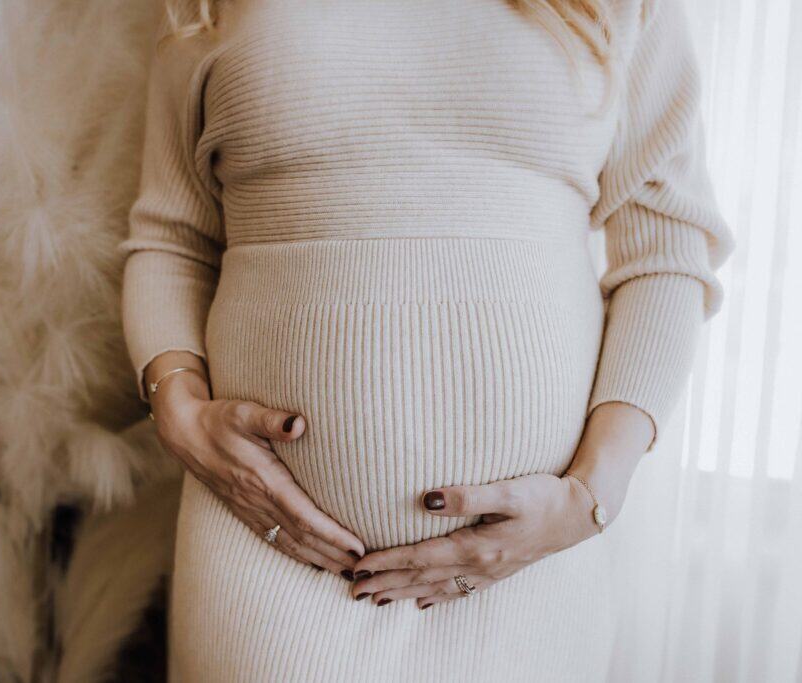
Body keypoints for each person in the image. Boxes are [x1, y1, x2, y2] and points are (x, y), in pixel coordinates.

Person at [119, 0, 734, 679]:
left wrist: (590, 496)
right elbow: (172, 238)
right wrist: (177, 409)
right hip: (264, 549)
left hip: (533, 562)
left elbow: (668, 253)